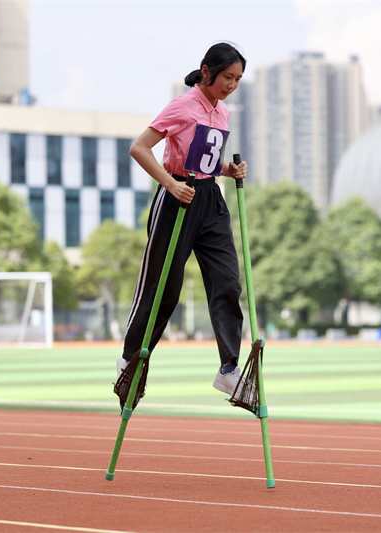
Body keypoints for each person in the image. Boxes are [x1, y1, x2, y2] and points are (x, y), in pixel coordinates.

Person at [118, 42, 248, 397]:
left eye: (237, 79)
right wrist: (171, 185)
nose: (231, 85)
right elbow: (139, 148)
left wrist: (228, 169)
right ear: (206, 71)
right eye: (227, 77)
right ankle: (131, 357)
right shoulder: (182, 107)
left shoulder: (222, 112)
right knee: (164, 291)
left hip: (210, 199)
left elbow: (206, 159)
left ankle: (229, 368)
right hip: (178, 198)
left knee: (228, 283)